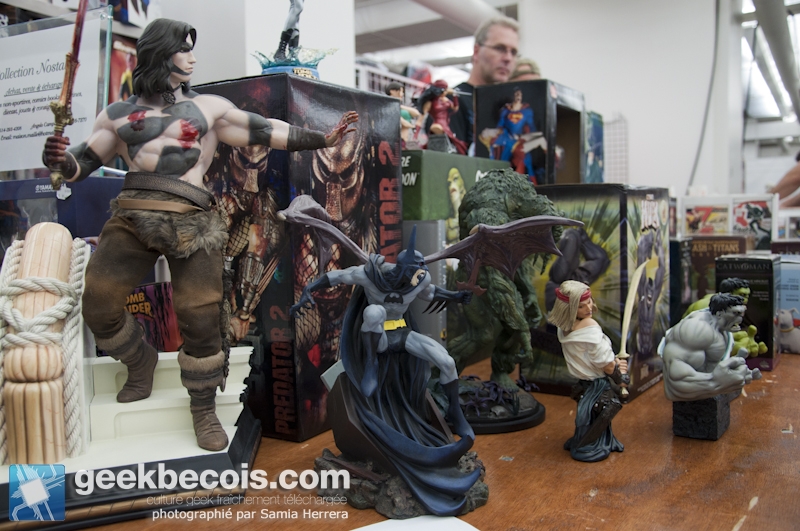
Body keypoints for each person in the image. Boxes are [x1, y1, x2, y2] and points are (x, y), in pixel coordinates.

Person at [42, 18, 358, 452]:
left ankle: (203, 408)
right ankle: (139, 360)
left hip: (192, 220)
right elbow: (80, 165)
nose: (192, 58)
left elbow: (265, 130)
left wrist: (322, 138)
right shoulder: (116, 115)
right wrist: (58, 159)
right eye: (184, 49)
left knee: (202, 316)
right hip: (132, 217)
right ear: (160, 52)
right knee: (98, 301)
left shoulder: (209, 108)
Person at [548, 280, 627, 462]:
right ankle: (588, 445)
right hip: (597, 384)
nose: (588, 308)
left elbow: (591, 359)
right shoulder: (590, 330)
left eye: (589, 302)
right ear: (570, 309)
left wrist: (614, 361)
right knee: (599, 412)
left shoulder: (564, 328)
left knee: (590, 413)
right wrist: (619, 375)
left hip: (584, 384)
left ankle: (587, 441)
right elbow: (606, 365)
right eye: (581, 306)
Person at [659, 293, 761, 402]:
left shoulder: (723, 331)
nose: (740, 319)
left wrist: (736, 372)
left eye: (742, 313)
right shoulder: (696, 329)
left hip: (704, 391)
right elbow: (674, 381)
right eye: (735, 313)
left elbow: (713, 367)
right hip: (691, 399)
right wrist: (715, 382)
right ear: (719, 314)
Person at [449, 17, 520, 153]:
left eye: (513, 52)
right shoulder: (453, 101)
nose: (508, 58)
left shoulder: (508, 109)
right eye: (500, 48)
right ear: (476, 51)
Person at [417, 80, 466, 155]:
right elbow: (421, 117)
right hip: (437, 124)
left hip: (445, 125)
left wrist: (455, 96)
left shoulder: (445, 100)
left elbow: (455, 108)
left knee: (453, 142)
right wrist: (416, 133)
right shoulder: (430, 103)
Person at [385, 81, 420, 148]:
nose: (402, 94)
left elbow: (416, 113)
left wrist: (399, 106)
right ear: (392, 91)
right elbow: (402, 121)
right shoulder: (388, 106)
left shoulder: (399, 107)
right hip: (395, 138)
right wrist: (412, 126)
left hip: (404, 138)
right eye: (400, 91)